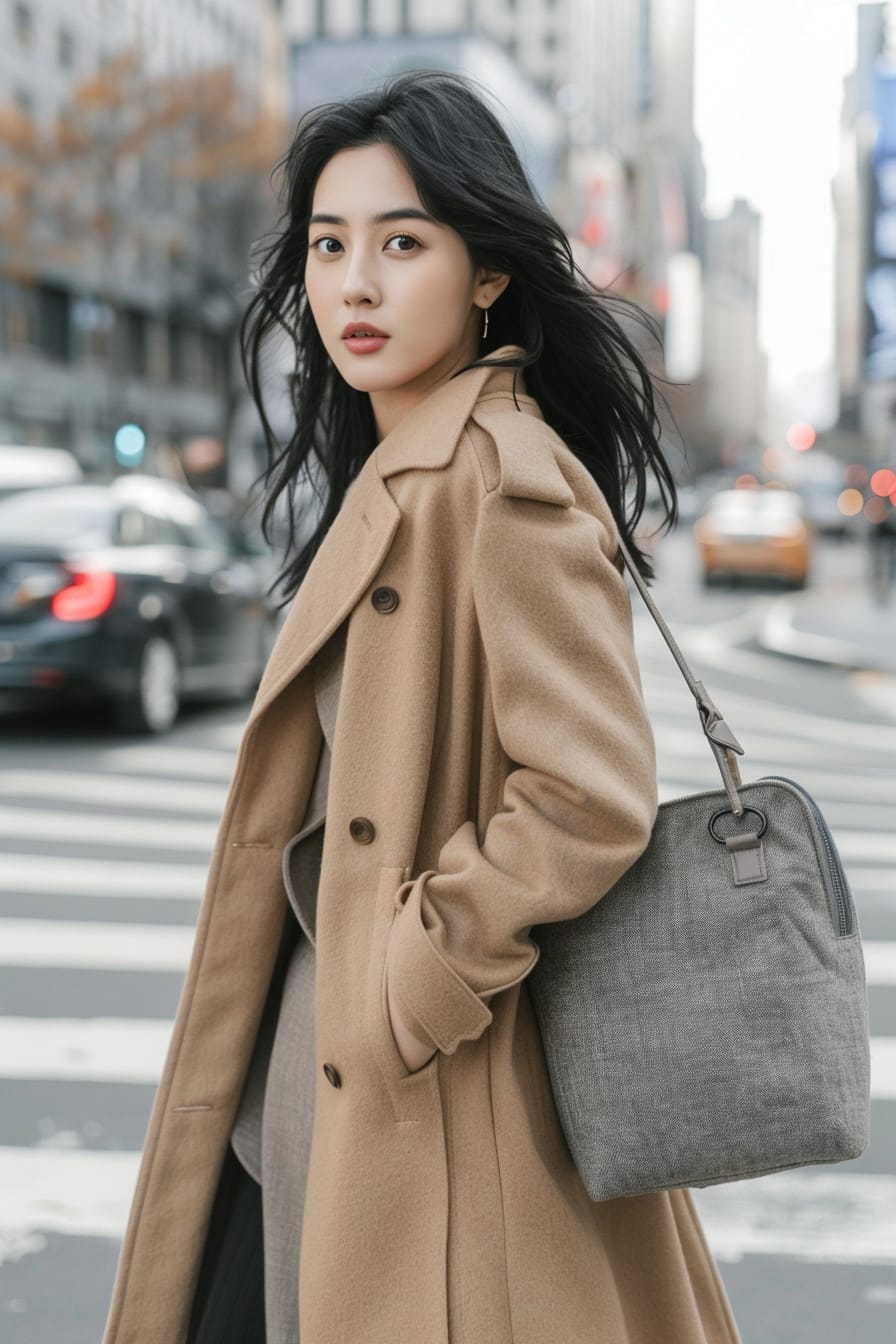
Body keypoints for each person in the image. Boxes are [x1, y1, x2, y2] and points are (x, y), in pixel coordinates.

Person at [102, 69, 741, 1344]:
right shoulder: (402, 469)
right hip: (317, 1072)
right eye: (330, 247)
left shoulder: (495, 483)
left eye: (403, 243)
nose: (355, 285)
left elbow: (588, 792)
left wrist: (418, 977)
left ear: (487, 271)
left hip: (422, 1084)